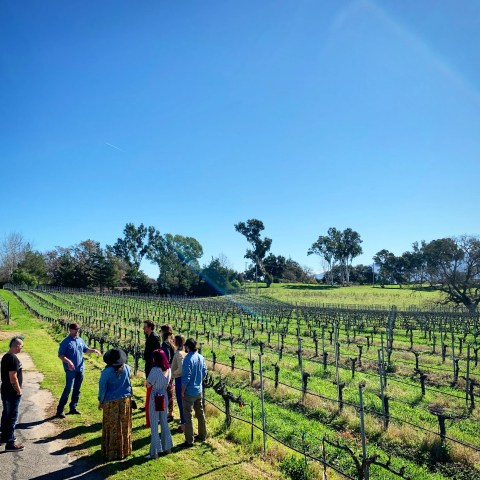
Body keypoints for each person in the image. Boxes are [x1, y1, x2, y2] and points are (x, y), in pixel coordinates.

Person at [56, 323, 100, 418]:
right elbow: (60, 355)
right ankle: (59, 410)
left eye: (78, 330)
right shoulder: (65, 342)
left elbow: (85, 350)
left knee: (77, 389)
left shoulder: (80, 340)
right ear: (70, 330)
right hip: (70, 370)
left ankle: (73, 408)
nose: (77, 331)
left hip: (80, 368)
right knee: (68, 389)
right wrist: (69, 362)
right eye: (75, 330)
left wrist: (94, 350)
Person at [98, 348, 133, 461]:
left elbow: (102, 388)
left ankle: (112, 452)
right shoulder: (127, 368)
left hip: (111, 401)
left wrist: (101, 401)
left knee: (112, 426)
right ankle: (124, 450)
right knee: (123, 425)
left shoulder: (107, 372)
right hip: (125, 400)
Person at [145, 349, 173, 459]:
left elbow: (148, 384)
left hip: (154, 398)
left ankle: (154, 452)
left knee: (154, 425)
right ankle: (167, 447)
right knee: (164, 423)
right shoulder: (169, 370)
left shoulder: (154, 370)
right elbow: (167, 384)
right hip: (164, 397)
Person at [181, 338, 207, 447]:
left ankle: (189, 440)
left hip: (189, 391)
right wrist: (199, 381)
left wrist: (182, 390)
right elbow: (205, 371)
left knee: (188, 416)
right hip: (198, 390)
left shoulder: (187, 359)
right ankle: (202, 435)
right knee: (200, 414)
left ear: (187, 347)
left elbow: (186, 377)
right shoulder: (201, 357)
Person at [1, 336, 24, 451]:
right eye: (21, 346)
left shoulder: (6, 356)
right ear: (16, 346)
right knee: (12, 417)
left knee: (6, 414)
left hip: (5, 391)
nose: (22, 348)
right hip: (11, 393)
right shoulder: (12, 359)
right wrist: (19, 390)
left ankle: (5, 436)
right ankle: (10, 443)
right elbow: (13, 377)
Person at [171, 334, 186, 432]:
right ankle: (184, 423)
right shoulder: (183, 352)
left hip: (179, 380)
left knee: (181, 403)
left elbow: (181, 368)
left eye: (174, 340)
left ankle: (183, 425)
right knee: (182, 403)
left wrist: (173, 373)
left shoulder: (179, 354)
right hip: (180, 379)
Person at [160, 324, 175, 422]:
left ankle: (166, 413)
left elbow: (167, 359)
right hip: (171, 371)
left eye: (160, 331)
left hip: (166, 372)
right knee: (169, 392)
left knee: (164, 392)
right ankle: (170, 412)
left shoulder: (165, 345)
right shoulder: (171, 344)